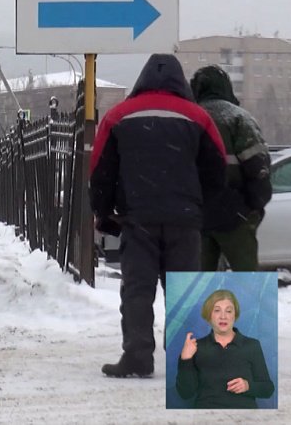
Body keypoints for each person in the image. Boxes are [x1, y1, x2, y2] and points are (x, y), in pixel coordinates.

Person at [90, 54, 227, 378]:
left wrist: (103, 212)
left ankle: (137, 355)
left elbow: (100, 169)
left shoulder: (119, 116)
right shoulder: (198, 117)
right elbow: (217, 169)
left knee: (138, 289)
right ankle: (187, 358)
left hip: (139, 218)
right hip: (184, 219)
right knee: (184, 290)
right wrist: (200, 208)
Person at [190, 65, 272, 271]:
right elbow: (259, 167)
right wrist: (252, 206)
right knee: (247, 284)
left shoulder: (188, 118)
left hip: (194, 216)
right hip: (236, 215)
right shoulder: (239, 118)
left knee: (196, 287)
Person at [176, 289, 275, 408]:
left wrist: (248, 386)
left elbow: (268, 389)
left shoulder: (252, 345)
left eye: (228, 311)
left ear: (235, 315)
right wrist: (185, 359)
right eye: (217, 311)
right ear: (209, 315)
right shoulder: (196, 347)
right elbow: (185, 393)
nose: (223, 316)